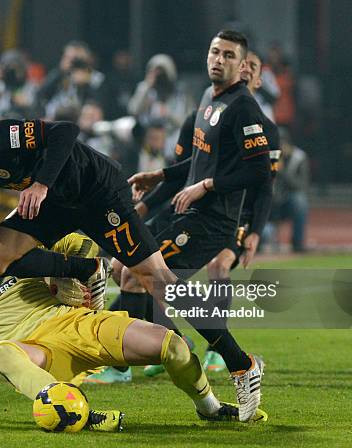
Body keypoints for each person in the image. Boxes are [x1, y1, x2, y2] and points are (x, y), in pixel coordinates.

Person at [0, 31, 264, 421]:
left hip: (95, 192)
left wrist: (40, 182)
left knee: (158, 281)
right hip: (55, 204)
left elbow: (64, 132)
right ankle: (86, 270)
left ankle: (241, 364)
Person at [0, 198, 268, 428]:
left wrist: (81, 271)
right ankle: (72, 409)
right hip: (36, 351)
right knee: (1, 353)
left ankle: (210, 408)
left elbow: (77, 240)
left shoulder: (7, 247)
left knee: (172, 346)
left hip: (76, 323)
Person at [91, 48, 279, 381]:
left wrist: (253, 230)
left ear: (258, 77)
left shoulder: (260, 126)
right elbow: (188, 169)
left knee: (205, 270)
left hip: (226, 218)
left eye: (250, 67)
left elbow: (263, 183)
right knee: (136, 273)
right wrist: (154, 191)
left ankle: (201, 354)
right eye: (240, 64)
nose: (244, 71)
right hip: (184, 209)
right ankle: (176, 346)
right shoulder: (205, 112)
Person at [268, 128, 309, 253]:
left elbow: (302, 185)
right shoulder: (267, 155)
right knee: (265, 234)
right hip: (268, 204)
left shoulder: (299, 157)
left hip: (287, 203)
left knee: (300, 200)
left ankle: (297, 243)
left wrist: (283, 171)